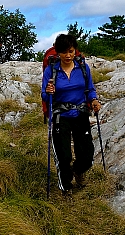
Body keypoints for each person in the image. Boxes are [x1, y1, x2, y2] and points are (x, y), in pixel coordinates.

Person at [42, 34, 101, 194]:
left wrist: (94, 100)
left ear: (75, 50)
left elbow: (89, 89)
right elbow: (45, 97)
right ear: (58, 53)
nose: (68, 55)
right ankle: (66, 188)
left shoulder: (82, 67)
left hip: (80, 114)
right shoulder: (51, 71)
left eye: (71, 51)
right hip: (61, 117)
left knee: (87, 155)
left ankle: (78, 171)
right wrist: (48, 92)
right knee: (64, 156)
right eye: (63, 52)